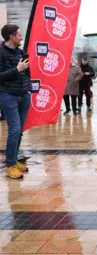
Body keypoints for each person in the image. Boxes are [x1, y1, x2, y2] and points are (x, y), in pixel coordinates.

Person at [0, 24, 31, 179]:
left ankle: (14, 159)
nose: (21, 37)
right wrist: (17, 69)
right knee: (14, 130)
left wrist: (28, 88)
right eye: (19, 35)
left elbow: (27, 72)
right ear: (11, 37)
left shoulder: (20, 52)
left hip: (23, 95)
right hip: (8, 95)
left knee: (19, 131)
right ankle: (11, 164)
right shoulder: (0, 52)